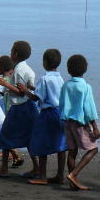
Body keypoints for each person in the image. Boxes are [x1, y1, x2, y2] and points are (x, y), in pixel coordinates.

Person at [0, 41, 38, 178]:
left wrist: (5, 83)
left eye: (12, 50)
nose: (10, 52)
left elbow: (20, 92)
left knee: (5, 135)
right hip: (29, 106)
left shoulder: (18, 69)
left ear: (16, 54)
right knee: (29, 137)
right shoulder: (27, 68)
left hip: (19, 106)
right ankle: (36, 167)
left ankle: (4, 169)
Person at [59, 54, 100, 191]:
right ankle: (73, 174)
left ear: (68, 70)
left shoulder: (66, 85)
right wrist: (95, 127)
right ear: (85, 69)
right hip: (80, 123)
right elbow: (89, 109)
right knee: (93, 149)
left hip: (68, 122)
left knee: (72, 151)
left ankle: (73, 183)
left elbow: (62, 104)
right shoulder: (85, 87)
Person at [26, 49, 67, 185]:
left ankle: (42, 176)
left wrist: (25, 90)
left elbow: (35, 97)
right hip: (59, 112)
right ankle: (60, 175)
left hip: (47, 113)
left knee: (41, 142)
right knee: (61, 144)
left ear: (45, 63)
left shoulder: (44, 79)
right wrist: (32, 87)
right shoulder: (59, 78)